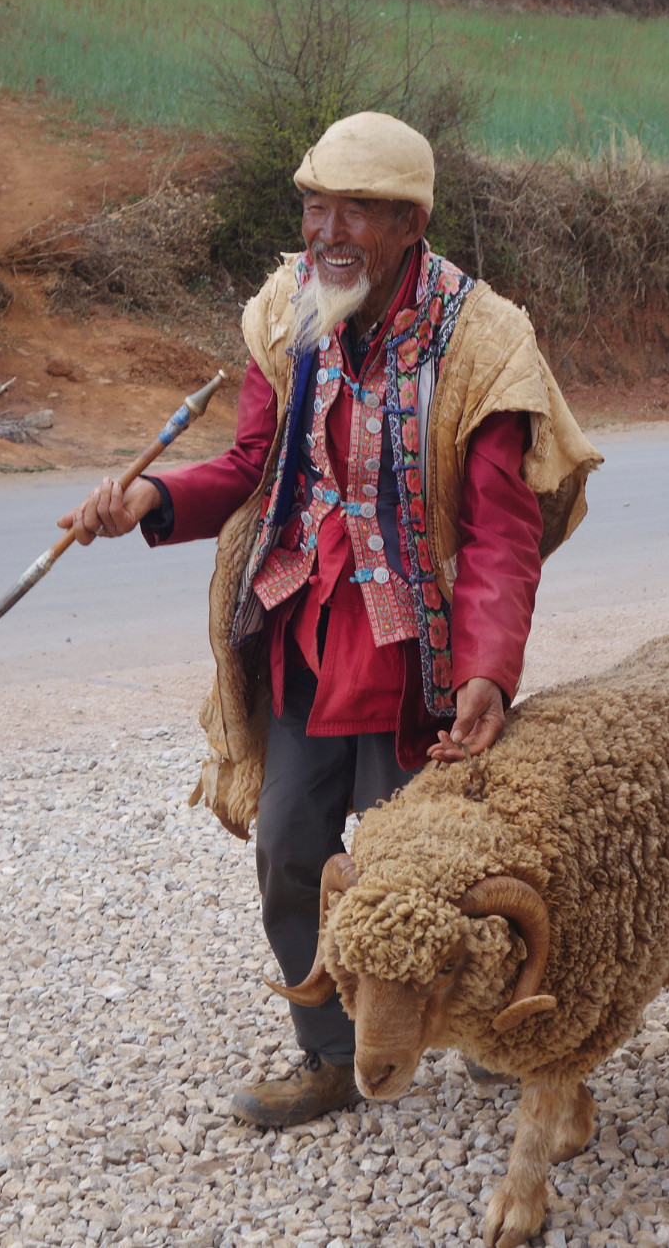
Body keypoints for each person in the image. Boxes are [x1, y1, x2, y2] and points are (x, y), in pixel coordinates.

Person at [60, 112, 600, 1126]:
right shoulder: (287, 315)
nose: (327, 230)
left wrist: (489, 671)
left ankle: (486, 1027)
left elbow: (497, 532)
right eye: (315, 205)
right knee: (290, 847)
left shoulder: (481, 342)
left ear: (409, 221)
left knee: (445, 864)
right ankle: (326, 1048)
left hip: (423, 662)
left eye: (356, 208)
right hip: (305, 635)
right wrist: (148, 501)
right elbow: (248, 470)